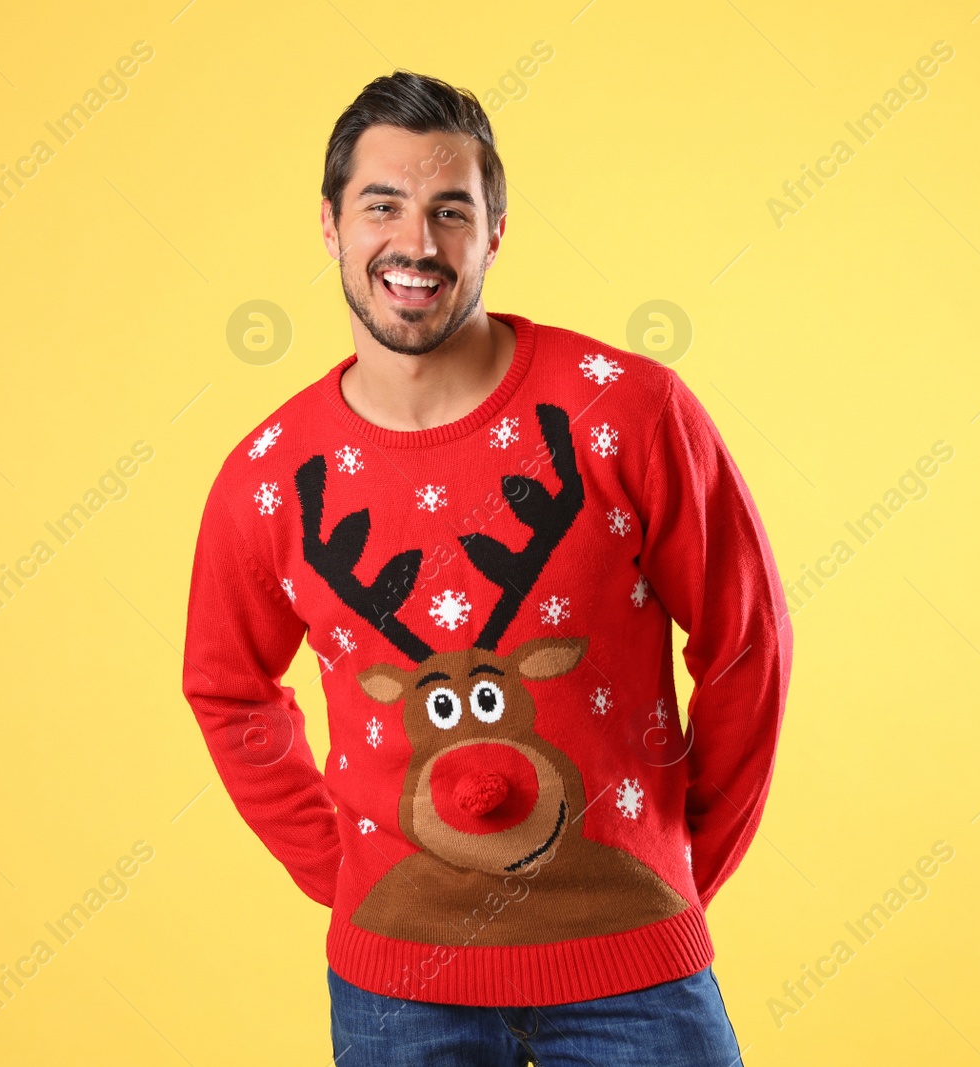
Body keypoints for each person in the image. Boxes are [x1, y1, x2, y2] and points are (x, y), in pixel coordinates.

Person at [181, 69, 792, 1066]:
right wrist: (345, 874)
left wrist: (679, 863)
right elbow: (224, 684)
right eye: (382, 205)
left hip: (637, 969)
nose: (415, 243)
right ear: (332, 227)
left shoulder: (628, 412)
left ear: (493, 234)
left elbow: (746, 639)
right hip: (398, 992)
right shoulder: (269, 477)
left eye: (449, 212)